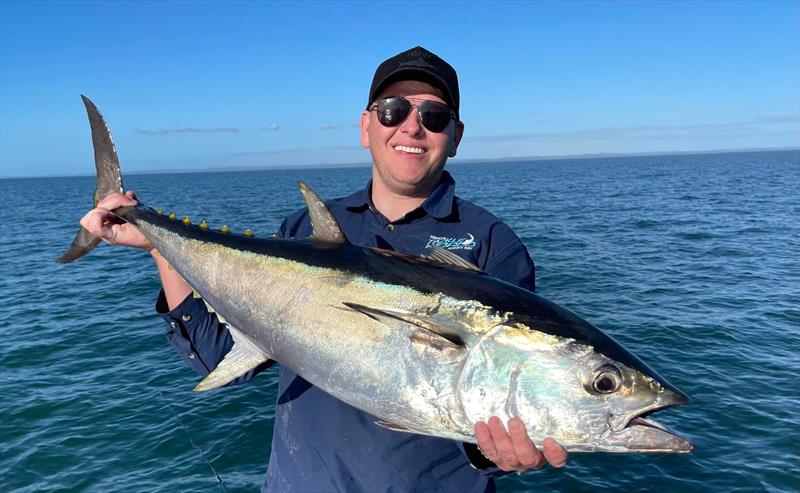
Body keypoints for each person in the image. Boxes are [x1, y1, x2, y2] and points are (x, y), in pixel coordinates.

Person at [81, 46, 568, 492]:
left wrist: (498, 454)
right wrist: (161, 249)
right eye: (393, 111)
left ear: (455, 136)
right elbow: (217, 357)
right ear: (366, 127)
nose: (412, 127)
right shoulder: (304, 231)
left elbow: (496, 404)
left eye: (434, 116)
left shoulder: (492, 245)